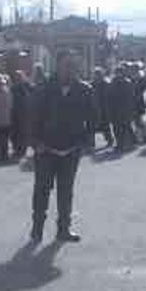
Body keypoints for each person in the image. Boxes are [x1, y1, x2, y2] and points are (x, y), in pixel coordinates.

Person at [30, 52, 95, 243]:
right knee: (42, 189)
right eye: (67, 65)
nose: (71, 69)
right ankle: (37, 229)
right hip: (46, 149)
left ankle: (64, 229)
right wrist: (36, 142)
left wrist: (85, 142)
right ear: (57, 66)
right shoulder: (43, 89)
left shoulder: (85, 90)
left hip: (71, 149)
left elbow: (93, 118)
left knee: (66, 191)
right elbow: (32, 117)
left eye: (74, 66)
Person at [109, 64, 137, 152]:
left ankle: (133, 141)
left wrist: (130, 109)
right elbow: (109, 95)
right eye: (117, 72)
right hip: (114, 109)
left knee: (126, 126)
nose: (118, 74)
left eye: (120, 72)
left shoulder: (127, 83)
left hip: (125, 109)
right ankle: (119, 144)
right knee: (116, 128)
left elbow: (130, 97)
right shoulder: (113, 82)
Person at [10, 70, 34, 158]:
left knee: (24, 132)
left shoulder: (28, 86)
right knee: (15, 132)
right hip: (15, 112)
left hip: (25, 112)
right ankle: (16, 148)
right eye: (17, 76)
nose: (18, 78)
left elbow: (33, 96)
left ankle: (22, 149)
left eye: (20, 76)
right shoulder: (13, 87)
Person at [90, 68, 115, 148]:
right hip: (94, 108)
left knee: (105, 125)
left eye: (99, 74)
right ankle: (91, 143)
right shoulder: (92, 84)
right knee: (91, 126)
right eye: (96, 74)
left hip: (104, 108)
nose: (97, 76)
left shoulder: (106, 84)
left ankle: (110, 140)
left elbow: (110, 96)